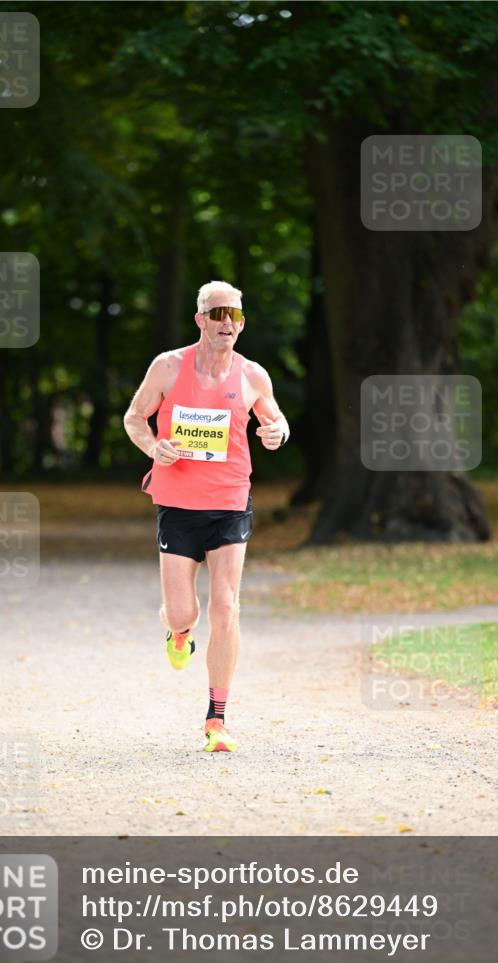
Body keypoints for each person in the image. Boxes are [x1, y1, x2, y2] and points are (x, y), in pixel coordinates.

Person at [123, 280, 289, 752]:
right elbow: (134, 418)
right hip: (176, 502)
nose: (227, 324)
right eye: (217, 315)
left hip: (230, 501)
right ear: (200, 320)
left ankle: (217, 719)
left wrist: (277, 433)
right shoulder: (169, 367)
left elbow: (276, 420)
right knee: (184, 611)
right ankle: (178, 633)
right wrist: (155, 446)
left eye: (235, 316)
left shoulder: (253, 375)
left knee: (226, 606)